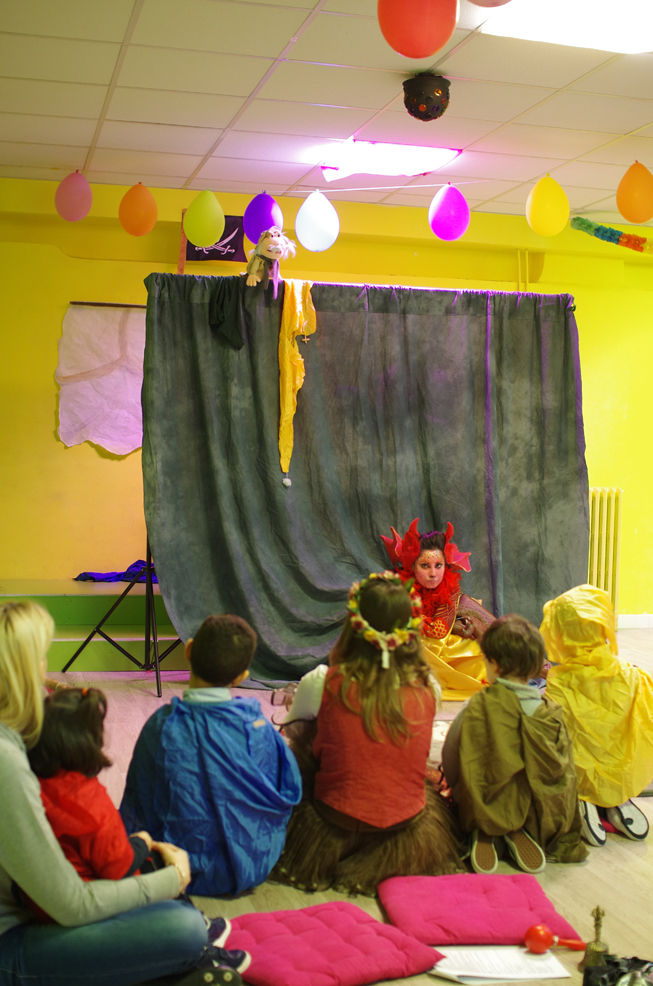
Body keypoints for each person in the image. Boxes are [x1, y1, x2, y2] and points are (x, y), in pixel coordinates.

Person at [0, 600, 249, 986]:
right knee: (183, 928)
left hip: (35, 906)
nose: (45, 674)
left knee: (163, 900)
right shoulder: (6, 760)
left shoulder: (16, 744)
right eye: (41, 660)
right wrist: (172, 878)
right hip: (14, 941)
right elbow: (71, 905)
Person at [271, 572, 463, 895]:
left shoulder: (322, 681)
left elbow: (292, 732)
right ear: (411, 628)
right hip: (405, 826)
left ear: (353, 625)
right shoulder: (428, 687)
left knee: (302, 741)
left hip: (332, 820)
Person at [120, 614, 302, 897]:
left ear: (188, 650)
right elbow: (284, 791)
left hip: (177, 866)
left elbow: (138, 804)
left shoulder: (162, 727)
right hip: (254, 865)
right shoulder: (259, 728)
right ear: (241, 677)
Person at [442, 614, 588, 875]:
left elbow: (451, 755)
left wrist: (456, 788)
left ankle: (486, 829)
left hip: (483, 799)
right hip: (536, 807)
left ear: (494, 665)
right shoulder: (551, 714)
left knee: (469, 786)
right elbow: (565, 771)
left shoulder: (477, 707)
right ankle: (521, 828)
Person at [22, 687, 156, 922]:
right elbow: (118, 868)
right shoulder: (91, 804)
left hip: (36, 899)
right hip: (88, 906)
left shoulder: (27, 780)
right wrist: (142, 843)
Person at [540, 584, 653, 846]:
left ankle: (583, 799)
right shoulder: (634, 677)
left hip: (578, 773)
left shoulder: (559, 684)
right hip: (622, 768)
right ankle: (616, 797)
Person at [381, 519, 495, 699]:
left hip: (442, 650)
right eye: (425, 566)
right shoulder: (397, 584)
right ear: (412, 565)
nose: (433, 574)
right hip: (407, 652)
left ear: (445, 565)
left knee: (481, 655)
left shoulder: (450, 588)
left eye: (438, 565)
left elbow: (439, 630)